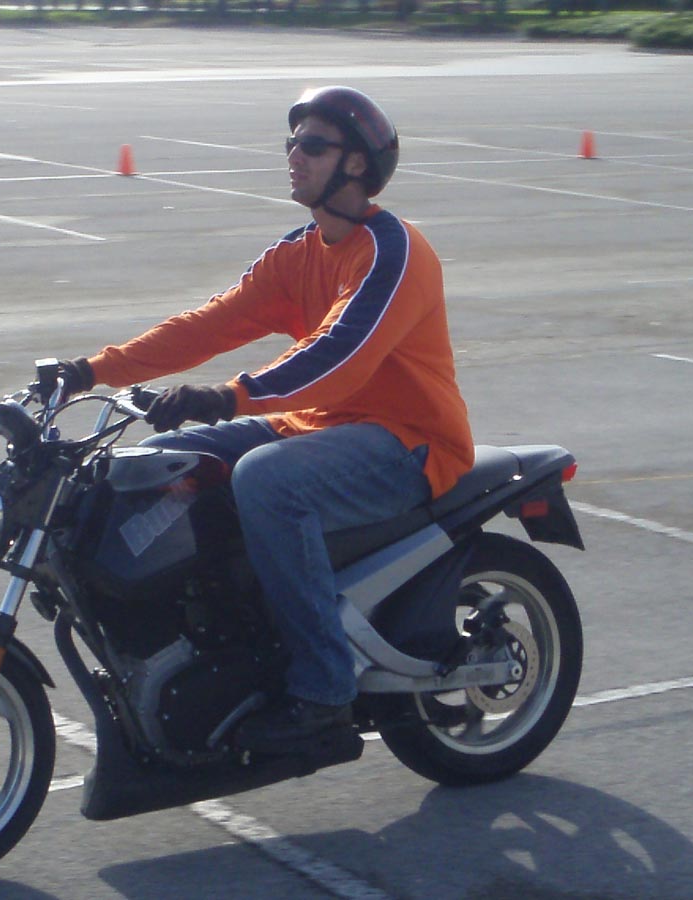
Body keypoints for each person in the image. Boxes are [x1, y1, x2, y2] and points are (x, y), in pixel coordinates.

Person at [55, 86, 474, 753]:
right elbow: (207, 325)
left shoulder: (394, 251)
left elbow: (341, 357)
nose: (293, 156)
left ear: (356, 164)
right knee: (168, 462)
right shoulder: (298, 253)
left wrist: (229, 396)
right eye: (292, 144)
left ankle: (324, 693)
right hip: (318, 426)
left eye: (312, 145)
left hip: (408, 443)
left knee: (266, 481)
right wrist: (90, 370)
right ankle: (223, 640)